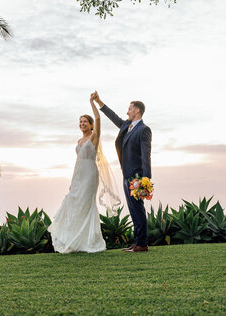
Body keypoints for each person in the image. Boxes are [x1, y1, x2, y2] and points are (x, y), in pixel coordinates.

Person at [48, 94, 120, 253]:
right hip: (79, 175)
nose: (82, 124)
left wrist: (92, 102)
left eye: (85, 121)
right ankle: (75, 241)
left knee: (86, 205)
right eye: (80, 122)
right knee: (73, 202)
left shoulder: (94, 137)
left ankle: (90, 241)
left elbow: (98, 119)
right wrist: (73, 181)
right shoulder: (78, 142)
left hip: (90, 175)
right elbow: (77, 162)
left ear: (91, 125)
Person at [92, 91, 152, 252]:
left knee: (137, 209)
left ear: (137, 110)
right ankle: (137, 241)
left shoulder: (144, 130)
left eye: (130, 109)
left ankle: (141, 244)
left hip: (137, 178)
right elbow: (116, 118)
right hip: (127, 174)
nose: (127, 112)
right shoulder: (128, 126)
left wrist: (146, 180)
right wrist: (99, 102)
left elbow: (146, 156)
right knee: (133, 210)